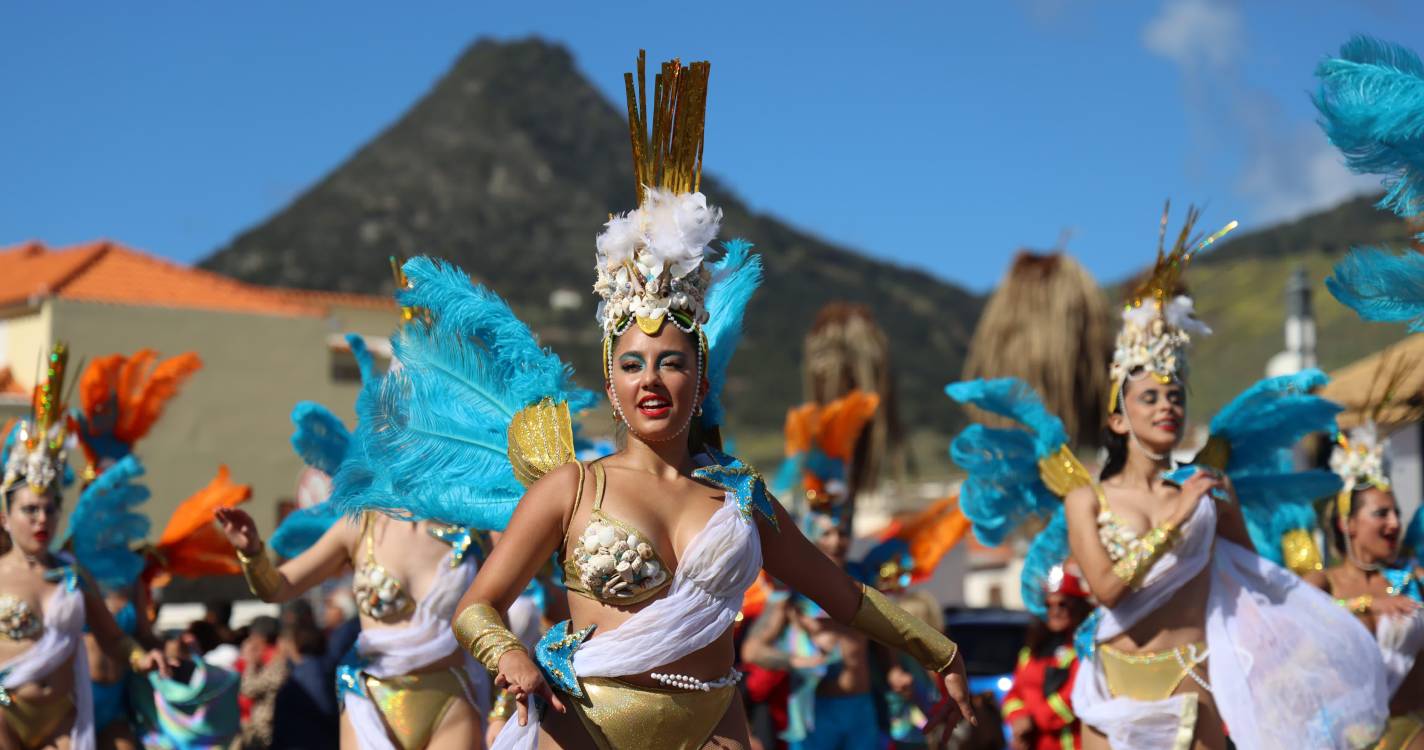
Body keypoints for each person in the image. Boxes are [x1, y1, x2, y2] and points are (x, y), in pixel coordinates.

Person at [404, 52, 974, 749]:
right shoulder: (570, 489)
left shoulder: (742, 498)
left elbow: (839, 593)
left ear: (699, 382)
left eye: (671, 363)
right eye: (632, 364)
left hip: (715, 731)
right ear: (611, 385)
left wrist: (935, 649)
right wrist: (511, 655)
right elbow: (476, 608)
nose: (651, 380)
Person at [948, 207, 1389, 749]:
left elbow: (1253, 582)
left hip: (1192, 680)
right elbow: (1107, 590)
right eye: (1150, 397)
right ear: (1118, 417)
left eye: (1176, 396)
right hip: (1110, 686)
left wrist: (1348, 609)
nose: (1167, 406)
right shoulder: (1087, 500)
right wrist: (1176, 521)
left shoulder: (1209, 488)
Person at [217, 325, 489, 750]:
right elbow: (278, 586)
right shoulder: (359, 524)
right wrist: (251, 552)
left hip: (452, 701)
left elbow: (511, 601)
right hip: (373, 704)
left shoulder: (473, 522)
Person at [0, 343, 169, 750]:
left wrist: (141, 659)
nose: (42, 519)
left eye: (51, 508)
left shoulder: (73, 575)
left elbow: (114, 637)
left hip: (62, 719)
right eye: (30, 510)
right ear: (6, 517)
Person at [1306, 418, 1424, 749]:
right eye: (1381, 514)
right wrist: (1365, 604)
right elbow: (1286, 621)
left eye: (1397, 513)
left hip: (1411, 731)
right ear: (1348, 523)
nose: (1394, 523)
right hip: (1344, 737)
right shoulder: (1323, 583)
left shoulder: (1412, 579)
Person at [1003, 565, 1092, 750]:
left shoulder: (1086, 650)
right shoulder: (1031, 652)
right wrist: (1018, 718)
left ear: (1078, 606)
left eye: (1063, 604)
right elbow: (1013, 695)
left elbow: (1074, 698)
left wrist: (1033, 721)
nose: (1055, 610)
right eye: (1048, 605)